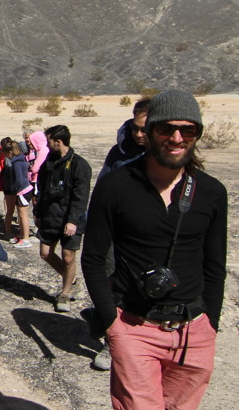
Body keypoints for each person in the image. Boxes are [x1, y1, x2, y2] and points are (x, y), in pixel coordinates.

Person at [81, 90, 228, 410]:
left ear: (198, 136)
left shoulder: (212, 193)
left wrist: (211, 325)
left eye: (189, 130)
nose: (178, 138)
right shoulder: (116, 185)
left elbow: (215, 265)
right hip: (135, 326)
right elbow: (92, 257)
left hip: (193, 328)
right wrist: (110, 323)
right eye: (168, 129)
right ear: (149, 134)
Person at [91, 97, 151, 370]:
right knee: (112, 285)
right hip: (115, 234)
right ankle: (111, 343)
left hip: (148, 237)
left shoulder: (165, 156)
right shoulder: (119, 152)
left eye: (146, 129)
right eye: (136, 127)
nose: (139, 134)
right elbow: (103, 190)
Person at [35, 124, 91, 313]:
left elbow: (81, 197)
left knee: (68, 257)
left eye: (49, 141)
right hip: (50, 216)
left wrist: (73, 221)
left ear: (58, 142)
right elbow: (41, 189)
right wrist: (39, 213)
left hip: (70, 220)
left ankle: (65, 293)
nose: (47, 145)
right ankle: (72, 279)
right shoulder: (48, 162)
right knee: (45, 253)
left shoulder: (79, 165)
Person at [100, 98, 152, 179]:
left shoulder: (167, 155)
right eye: (134, 128)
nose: (138, 134)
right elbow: (102, 184)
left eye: (144, 130)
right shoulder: (117, 153)